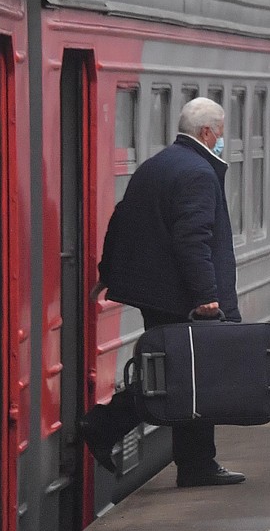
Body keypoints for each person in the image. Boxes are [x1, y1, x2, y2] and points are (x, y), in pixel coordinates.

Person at [80, 98, 246, 488]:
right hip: (185, 298)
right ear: (207, 132)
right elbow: (193, 239)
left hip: (160, 293)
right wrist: (207, 295)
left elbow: (122, 218)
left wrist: (109, 271)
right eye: (221, 132)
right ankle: (109, 427)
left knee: (178, 375)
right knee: (190, 376)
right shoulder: (198, 173)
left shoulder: (155, 166)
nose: (223, 139)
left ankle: (193, 462)